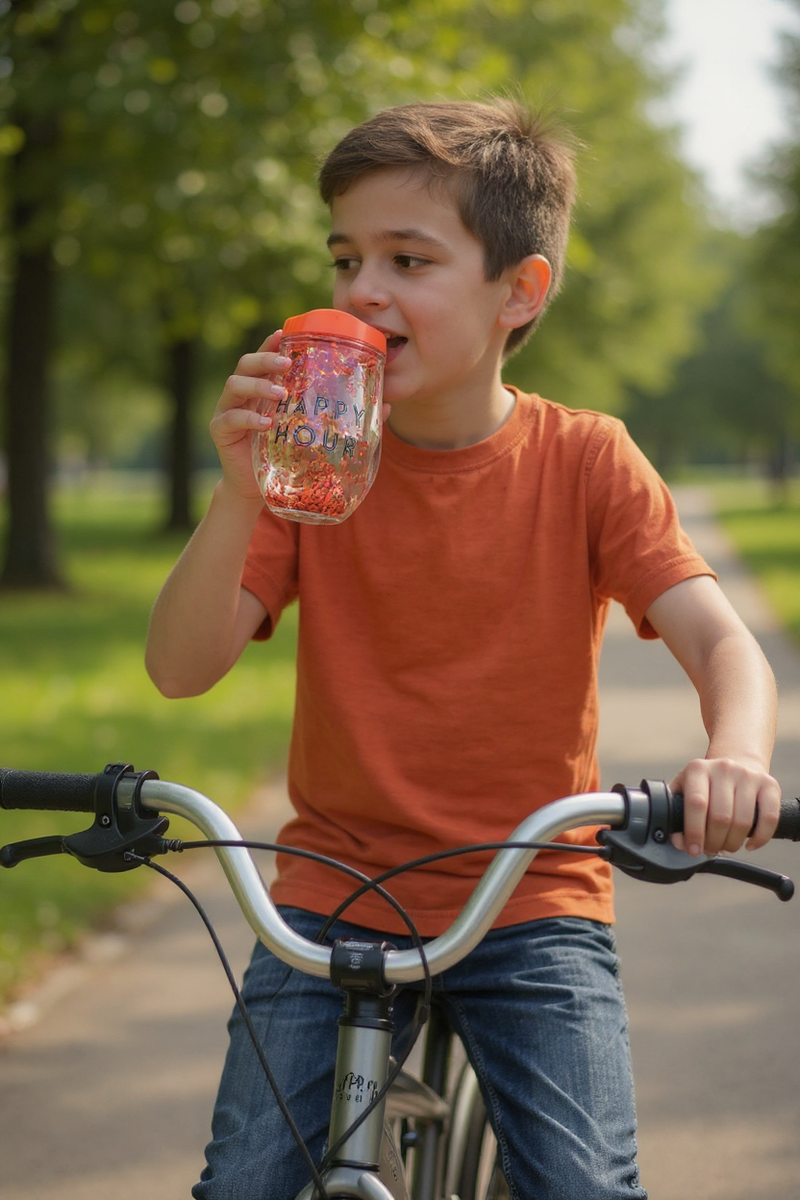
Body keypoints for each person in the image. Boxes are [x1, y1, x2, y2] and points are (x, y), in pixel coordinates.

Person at [145, 99, 781, 1200]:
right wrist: (237, 498)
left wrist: (735, 756)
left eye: (407, 258)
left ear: (515, 293)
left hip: (528, 895)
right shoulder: (312, 471)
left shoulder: (584, 461)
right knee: (241, 1181)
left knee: (583, 1185)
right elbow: (179, 667)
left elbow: (720, 640)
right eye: (345, 257)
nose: (360, 290)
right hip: (327, 892)